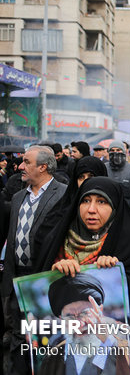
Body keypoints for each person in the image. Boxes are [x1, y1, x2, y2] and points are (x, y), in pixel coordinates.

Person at [37, 177, 130, 374]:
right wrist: (56, 273)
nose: (91, 209)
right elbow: (38, 279)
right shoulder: (57, 240)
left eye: (101, 202)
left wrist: (120, 276)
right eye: (85, 201)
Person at [1, 145, 67, 374]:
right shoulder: (19, 196)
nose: (20, 166)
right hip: (17, 278)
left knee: (44, 339)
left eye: (26, 162)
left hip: (45, 279)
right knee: (17, 337)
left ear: (43, 166)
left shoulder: (63, 194)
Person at [39, 273, 130, 375]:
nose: (79, 325)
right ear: (61, 319)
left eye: (84, 313)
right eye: (69, 316)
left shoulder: (126, 347)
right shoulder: (52, 358)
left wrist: (108, 342)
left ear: (99, 310)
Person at [32, 156, 108, 261]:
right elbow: (44, 242)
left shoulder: (112, 211)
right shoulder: (61, 211)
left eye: (91, 176)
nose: (85, 181)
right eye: (81, 177)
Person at [105, 141, 130, 227]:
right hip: (106, 216)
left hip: (127, 216)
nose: (115, 152)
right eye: (112, 150)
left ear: (123, 152)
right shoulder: (103, 168)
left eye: (118, 150)